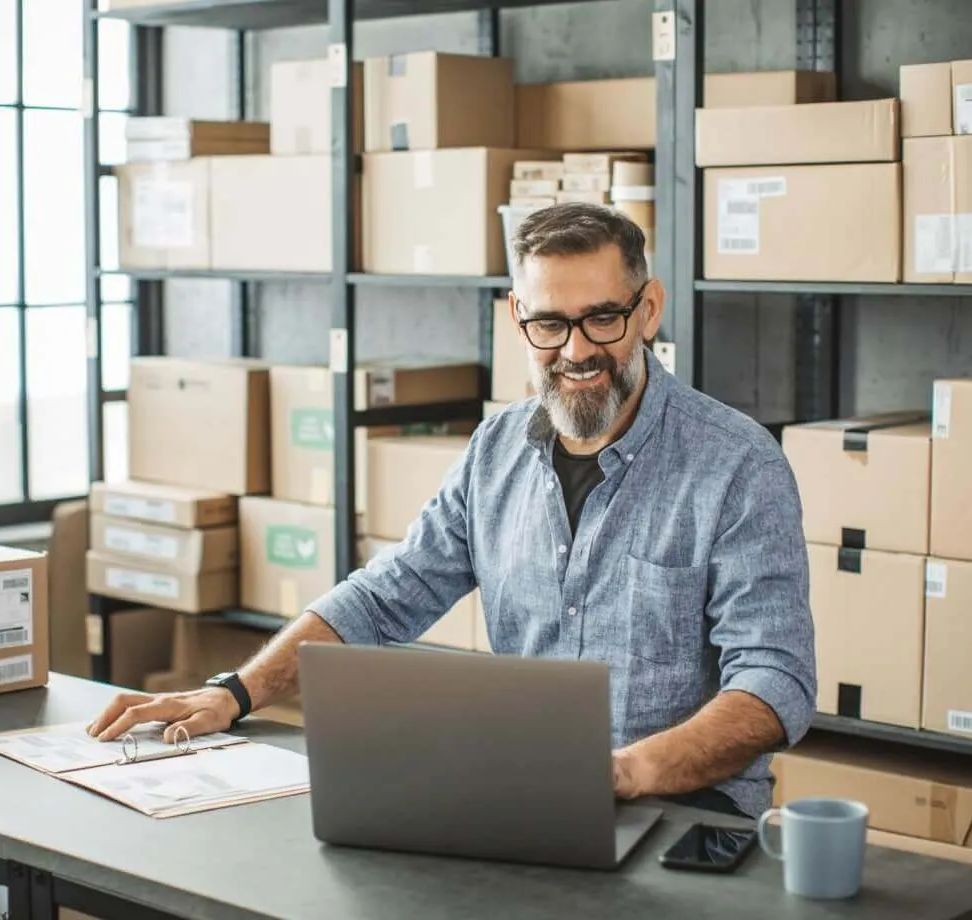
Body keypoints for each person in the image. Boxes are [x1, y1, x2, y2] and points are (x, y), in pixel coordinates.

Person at [89, 202, 817, 819]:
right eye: (549, 325)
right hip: (527, 803)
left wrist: (628, 771)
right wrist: (235, 693)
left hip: (684, 814)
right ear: (518, 318)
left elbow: (774, 684)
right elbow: (383, 597)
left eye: (602, 320)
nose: (576, 351)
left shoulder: (737, 466)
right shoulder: (497, 450)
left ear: (648, 309)